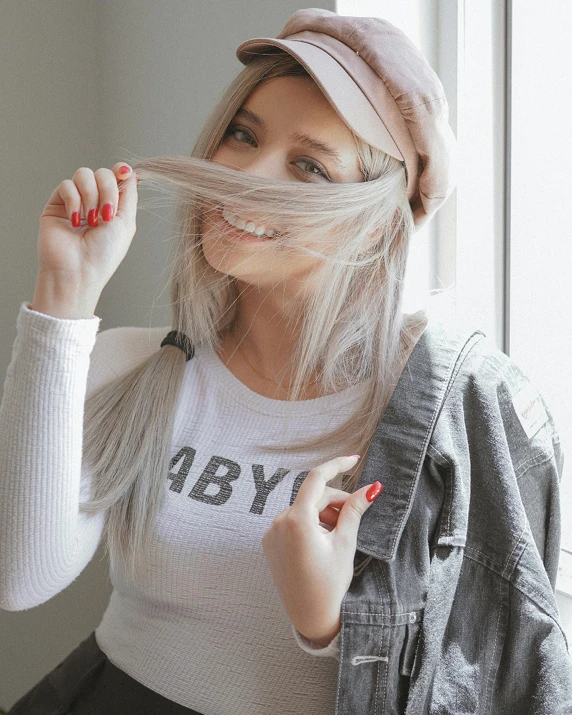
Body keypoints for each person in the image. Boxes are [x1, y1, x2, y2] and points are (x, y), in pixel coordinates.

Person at [2, 7, 571, 715]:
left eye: (309, 166)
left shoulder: (429, 418)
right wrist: (64, 295)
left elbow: (479, 676)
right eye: (243, 134)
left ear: (375, 221)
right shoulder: (136, 364)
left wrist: (325, 627)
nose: (243, 175)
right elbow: (21, 577)